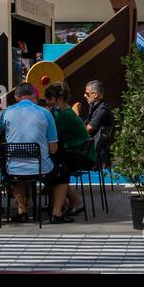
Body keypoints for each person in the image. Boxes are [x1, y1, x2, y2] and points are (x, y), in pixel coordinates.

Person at [0, 82, 59, 223]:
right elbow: (53, 148)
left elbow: (2, 134)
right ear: (34, 96)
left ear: (16, 97)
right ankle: (55, 209)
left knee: (16, 172)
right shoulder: (45, 113)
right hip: (40, 168)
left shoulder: (6, 112)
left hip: (14, 168)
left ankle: (22, 210)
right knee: (60, 172)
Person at [44, 81, 89, 220]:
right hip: (76, 150)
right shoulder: (63, 110)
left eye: (49, 99)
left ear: (58, 98)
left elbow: (51, 136)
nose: (47, 102)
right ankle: (59, 202)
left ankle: (70, 202)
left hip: (77, 154)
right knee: (52, 166)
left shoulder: (62, 114)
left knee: (53, 169)